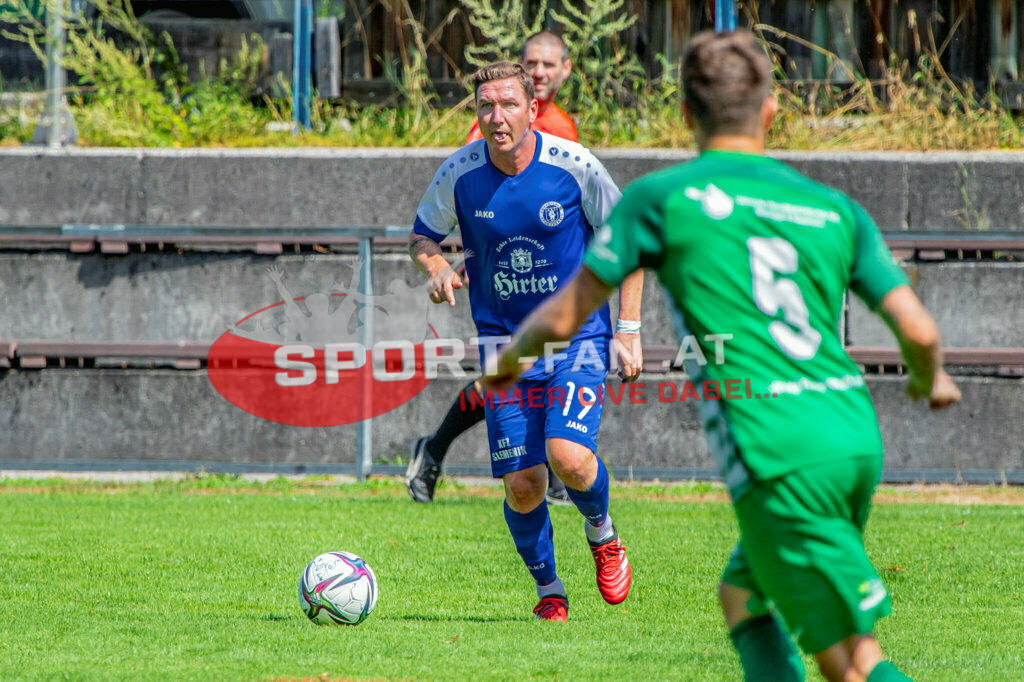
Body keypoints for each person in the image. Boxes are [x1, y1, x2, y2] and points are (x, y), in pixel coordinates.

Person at [484, 30, 960, 679]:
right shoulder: (832, 207)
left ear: (685, 114)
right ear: (770, 112)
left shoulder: (664, 199)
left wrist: (511, 358)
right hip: (852, 433)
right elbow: (921, 332)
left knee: (854, 661)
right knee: (743, 599)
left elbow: (567, 310)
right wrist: (931, 382)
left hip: (779, 448)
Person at [408, 60, 645, 620]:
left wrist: (629, 332)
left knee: (569, 457)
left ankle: (603, 534)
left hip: (578, 335)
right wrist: (438, 267)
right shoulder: (459, 174)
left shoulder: (573, 166)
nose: (497, 117)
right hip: (505, 347)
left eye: (509, 104)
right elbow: (423, 236)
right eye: (486, 106)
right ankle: (549, 593)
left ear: (532, 109)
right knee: (523, 483)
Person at [407, 30, 579, 505]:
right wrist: (443, 262)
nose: (541, 72)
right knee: (507, 377)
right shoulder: (490, 127)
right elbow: (476, 189)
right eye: (533, 64)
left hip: (553, 286)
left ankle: (439, 450)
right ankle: (440, 449)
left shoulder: (563, 129)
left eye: (549, 65)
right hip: (502, 281)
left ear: (565, 71)